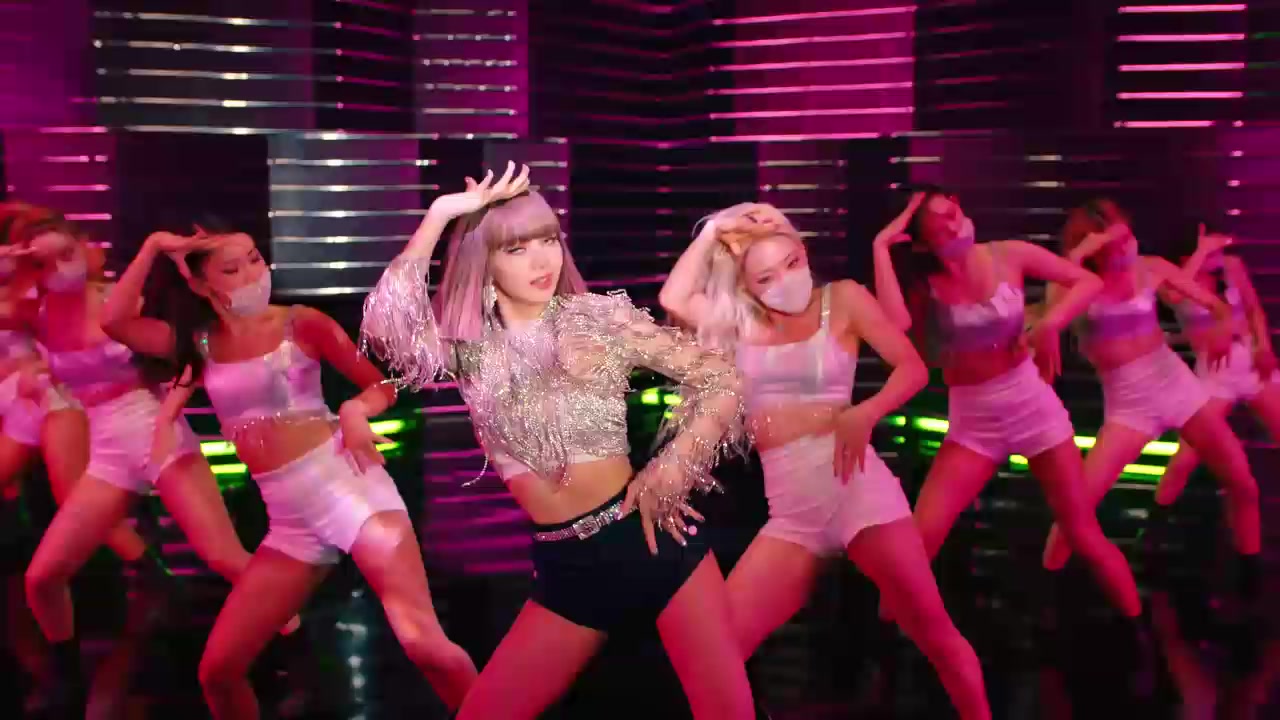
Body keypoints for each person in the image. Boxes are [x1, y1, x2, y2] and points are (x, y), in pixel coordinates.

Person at [361, 162, 755, 719]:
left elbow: (723, 378)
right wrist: (440, 216)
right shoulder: (468, 346)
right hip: (566, 566)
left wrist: (672, 469)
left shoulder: (600, 320)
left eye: (548, 240)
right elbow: (387, 332)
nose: (542, 260)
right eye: (517, 248)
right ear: (484, 260)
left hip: (650, 541)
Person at [99, 218, 477, 719]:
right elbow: (114, 322)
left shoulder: (301, 323)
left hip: (347, 486)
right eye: (232, 269)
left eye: (254, 259)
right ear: (201, 284)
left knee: (422, 641)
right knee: (219, 671)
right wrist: (150, 245)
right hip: (290, 520)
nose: (253, 274)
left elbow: (383, 386)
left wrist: (354, 411)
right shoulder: (200, 343)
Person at [658, 202, 990, 718]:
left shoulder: (844, 300)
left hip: (858, 491)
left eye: (791, 263)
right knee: (717, 657)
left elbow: (912, 369)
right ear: (748, 286)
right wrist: (716, 230)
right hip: (793, 514)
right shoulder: (740, 324)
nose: (785, 280)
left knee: (935, 634)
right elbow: (673, 298)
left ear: (803, 251)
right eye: (766, 276)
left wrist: (865, 412)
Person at [8, 206, 258, 713]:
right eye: (45, 258)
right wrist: (15, 256)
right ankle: (67, 678)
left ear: (81, 249)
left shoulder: (119, 300)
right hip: (109, 454)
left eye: (65, 250)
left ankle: (295, 648)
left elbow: (189, 351)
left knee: (225, 557)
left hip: (157, 436)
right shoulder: (33, 310)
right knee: (43, 577)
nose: (58, 264)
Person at [870, 189, 1144, 623]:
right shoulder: (927, 286)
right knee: (920, 539)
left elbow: (1087, 282)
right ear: (922, 244)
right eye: (940, 227)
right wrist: (881, 247)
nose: (955, 224)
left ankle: (1139, 629)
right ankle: (882, 645)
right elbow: (896, 325)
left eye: (953, 212)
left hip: (1031, 404)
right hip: (974, 420)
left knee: (1081, 531)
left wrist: (1051, 323)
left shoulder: (1009, 254)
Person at [1039, 200, 1261, 604]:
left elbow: (1217, 306)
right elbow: (1051, 313)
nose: (1129, 246)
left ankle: (1252, 579)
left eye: (1129, 236)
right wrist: (1081, 254)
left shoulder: (1151, 267)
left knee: (1243, 483)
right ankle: (1048, 593)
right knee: (1076, 510)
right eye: (1117, 242)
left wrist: (1222, 328)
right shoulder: (1077, 284)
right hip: (1128, 405)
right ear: (1094, 246)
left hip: (1176, 385)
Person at [1154, 224, 1280, 519]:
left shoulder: (1231, 266)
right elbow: (1173, 297)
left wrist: (1264, 347)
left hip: (1250, 363)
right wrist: (1202, 253)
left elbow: (1253, 309)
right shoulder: (1167, 275)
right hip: (1214, 373)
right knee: (1185, 458)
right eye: (1208, 249)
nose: (1217, 255)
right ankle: (1153, 527)